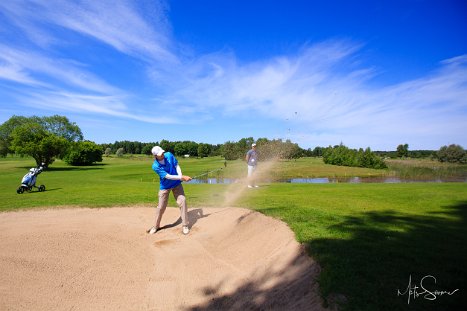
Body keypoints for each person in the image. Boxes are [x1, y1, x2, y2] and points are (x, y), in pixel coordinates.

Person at [147, 146, 192, 235]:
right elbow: (167, 176)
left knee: (182, 201)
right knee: (161, 207)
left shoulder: (169, 155)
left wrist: (180, 176)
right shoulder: (155, 166)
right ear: (155, 156)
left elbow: (176, 165)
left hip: (176, 184)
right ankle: (156, 226)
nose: (162, 155)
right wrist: (181, 177)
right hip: (165, 186)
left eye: (162, 153)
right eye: (160, 154)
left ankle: (185, 225)